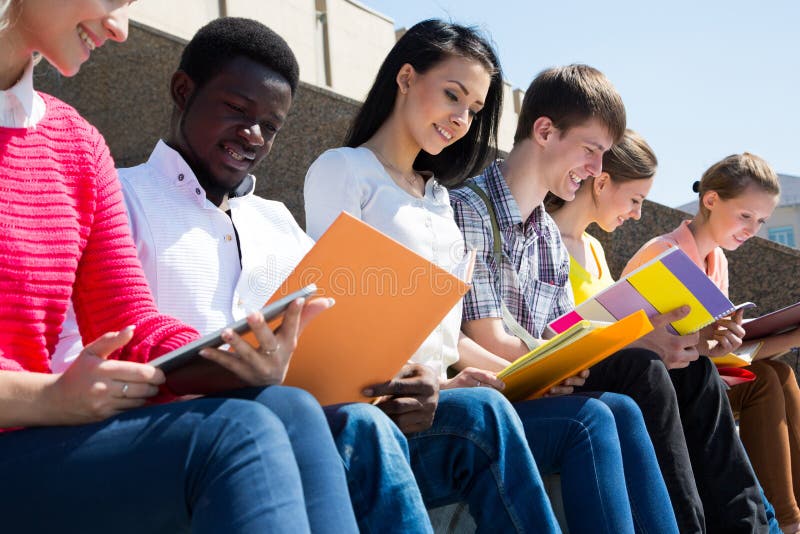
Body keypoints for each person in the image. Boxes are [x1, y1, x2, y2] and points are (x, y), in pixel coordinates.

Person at [51, 16, 434, 533]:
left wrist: (400, 376)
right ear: (183, 91)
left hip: (283, 417)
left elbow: (336, 340)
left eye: (271, 127)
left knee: (374, 421)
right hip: (159, 434)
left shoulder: (279, 222)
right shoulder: (118, 196)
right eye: (237, 109)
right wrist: (215, 373)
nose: (253, 135)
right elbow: (70, 351)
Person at [305, 20, 676, 534]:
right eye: (453, 96)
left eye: (474, 110)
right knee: (570, 418)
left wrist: (466, 377)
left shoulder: (436, 197)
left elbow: (443, 335)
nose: (461, 119)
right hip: (382, 408)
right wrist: (455, 379)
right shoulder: (344, 170)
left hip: (438, 398)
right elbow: (334, 316)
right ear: (406, 77)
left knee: (615, 407)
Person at [0, 3, 358, 533]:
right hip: (27, 434)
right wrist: (46, 396)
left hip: (37, 445)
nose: (119, 28)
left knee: (289, 407)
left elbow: (132, 323)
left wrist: (229, 358)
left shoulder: (75, 145)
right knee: (239, 433)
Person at [450, 65, 768, 533]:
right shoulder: (468, 209)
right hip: (504, 379)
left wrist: (637, 337)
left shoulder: (545, 234)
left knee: (692, 369)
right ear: (543, 130)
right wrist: (631, 342)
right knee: (640, 368)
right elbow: (493, 341)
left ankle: (751, 527)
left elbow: (565, 332)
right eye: (592, 150)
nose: (598, 170)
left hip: (547, 370)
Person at [623, 152, 800, 534]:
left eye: (762, 221)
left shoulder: (716, 260)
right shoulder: (663, 253)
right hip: (663, 386)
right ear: (711, 200)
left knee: (780, 373)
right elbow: (640, 338)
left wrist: (785, 336)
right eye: (745, 216)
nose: (752, 229)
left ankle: (792, 516)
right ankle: (787, 522)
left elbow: (711, 350)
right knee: (768, 381)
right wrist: (709, 346)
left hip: (701, 378)